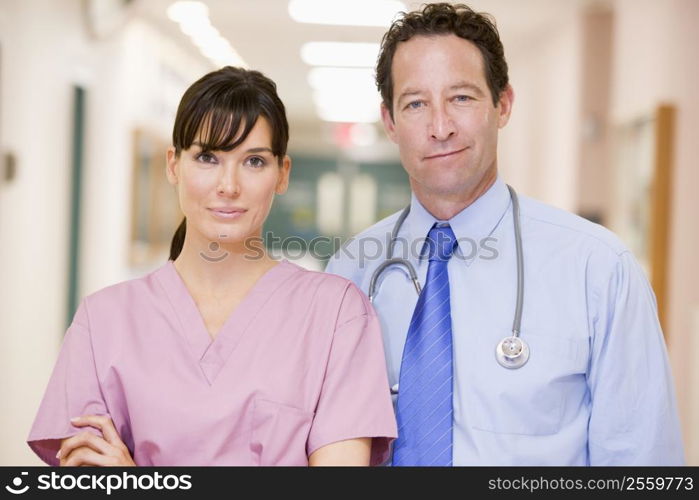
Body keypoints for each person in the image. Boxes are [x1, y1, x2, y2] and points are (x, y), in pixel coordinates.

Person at [325, 3, 684, 465]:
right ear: (390, 122)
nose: (440, 127)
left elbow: (642, 463)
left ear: (503, 104)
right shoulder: (350, 272)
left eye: (462, 98)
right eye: (416, 104)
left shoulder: (597, 269)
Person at [27, 66, 397, 466]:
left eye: (254, 161)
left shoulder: (337, 313)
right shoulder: (102, 322)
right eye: (207, 157)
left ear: (282, 174)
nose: (228, 185)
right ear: (174, 165)